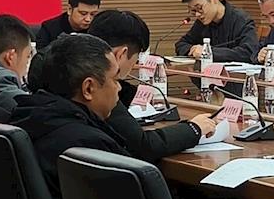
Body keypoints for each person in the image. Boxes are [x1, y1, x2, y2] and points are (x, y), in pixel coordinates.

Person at [12, 34, 214, 199]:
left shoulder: (28, 118)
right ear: (88, 88)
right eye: (115, 80)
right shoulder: (90, 146)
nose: (119, 88)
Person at [88, 9, 210, 145]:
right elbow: (143, 145)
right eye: (137, 58)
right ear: (122, 54)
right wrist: (194, 128)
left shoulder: (79, 68)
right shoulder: (100, 87)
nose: (135, 64)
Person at [174, 0, 260, 63]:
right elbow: (181, 44)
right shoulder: (202, 22)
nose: (197, 14)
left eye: (199, 8)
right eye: (193, 11)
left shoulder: (241, 20)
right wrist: (192, 49)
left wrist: (208, 52)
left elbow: (249, 52)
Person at [37, 0, 102, 48]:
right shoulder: (49, 29)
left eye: (93, 14)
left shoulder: (99, 28)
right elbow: (41, 53)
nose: (88, 19)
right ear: (70, 9)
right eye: (83, 13)